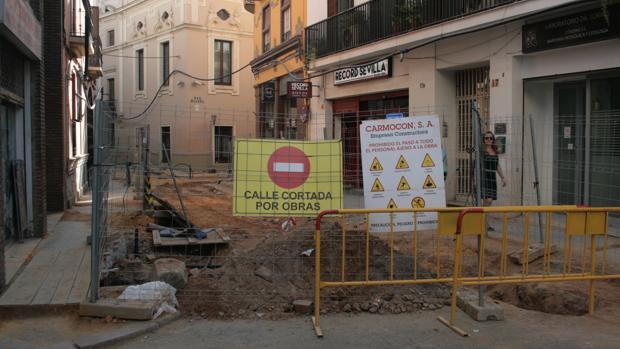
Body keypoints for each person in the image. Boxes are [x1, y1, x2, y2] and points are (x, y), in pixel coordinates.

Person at [482, 131, 506, 207]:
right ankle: (482, 217)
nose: (489, 139)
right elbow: (477, 166)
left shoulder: (495, 151)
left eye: (491, 138)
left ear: (493, 140)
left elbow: (497, 165)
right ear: (484, 140)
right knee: (487, 200)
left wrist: (503, 177)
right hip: (484, 177)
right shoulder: (482, 151)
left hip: (492, 178)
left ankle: (484, 217)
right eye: (486, 138)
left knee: (490, 201)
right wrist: (475, 180)